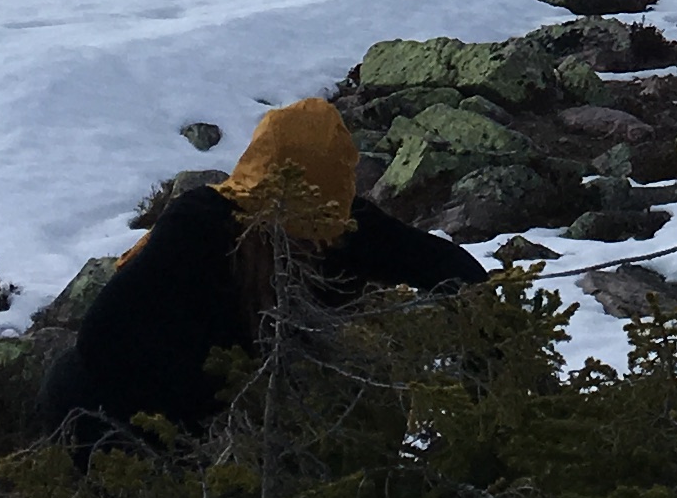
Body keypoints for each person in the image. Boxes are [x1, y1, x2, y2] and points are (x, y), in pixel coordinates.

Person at [38, 97, 485, 448]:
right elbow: (103, 337)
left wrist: (488, 343)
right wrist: (222, 403)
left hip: (233, 413)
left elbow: (445, 266)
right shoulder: (200, 225)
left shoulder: (344, 229)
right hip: (106, 412)